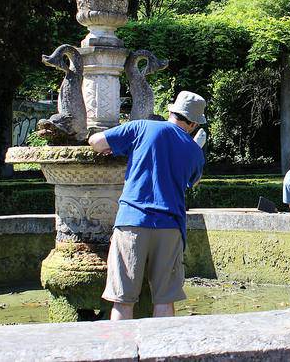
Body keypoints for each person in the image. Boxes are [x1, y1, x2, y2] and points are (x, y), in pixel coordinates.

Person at [88, 91, 206, 320]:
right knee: (164, 300)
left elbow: (96, 142)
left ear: (171, 112)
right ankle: (163, 353)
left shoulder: (141, 127)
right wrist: (194, 148)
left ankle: (121, 353)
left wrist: (113, 148)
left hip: (132, 222)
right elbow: (193, 180)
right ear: (192, 123)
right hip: (170, 226)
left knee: (122, 301)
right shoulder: (194, 150)